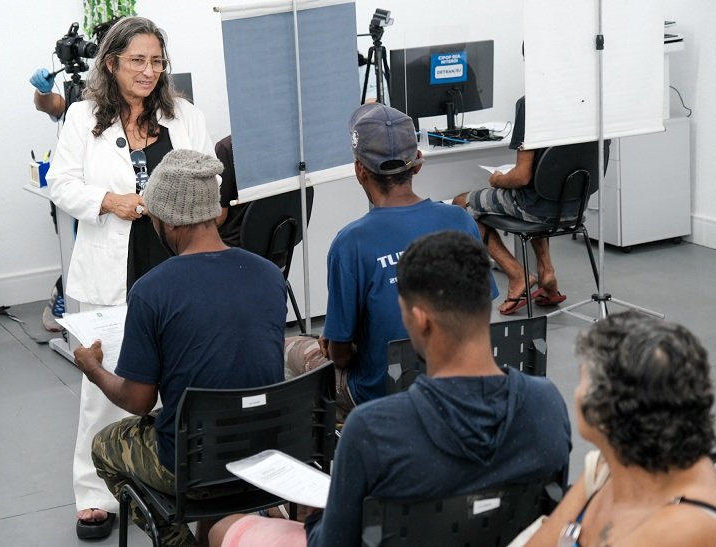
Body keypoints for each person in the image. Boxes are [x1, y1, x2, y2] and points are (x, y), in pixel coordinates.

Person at [208, 230, 571, 547]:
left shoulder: (374, 430)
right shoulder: (546, 404)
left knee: (221, 528)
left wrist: (319, 511)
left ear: (420, 318)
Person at [46, 16, 214, 539]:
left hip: (175, 262)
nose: (148, 70)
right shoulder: (81, 117)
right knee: (105, 383)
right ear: (112, 62)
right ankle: (95, 494)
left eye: (157, 60)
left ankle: (168, 477)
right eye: (137, 60)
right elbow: (60, 182)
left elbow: (212, 172)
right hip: (110, 268)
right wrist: (106, 201)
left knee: (181, 376)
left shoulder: (182, 114)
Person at [74, 149, 287, 547]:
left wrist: (94, 369)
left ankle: (180, 540)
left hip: (194, 459)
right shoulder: (268, 274)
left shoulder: (152, 290)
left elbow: (138, 401)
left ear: (164, 220)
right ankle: (250, 512)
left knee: (105, 445)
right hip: (270, 447)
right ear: (217, 213)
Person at [285, 102, 498, 420]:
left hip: (379, 398)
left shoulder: (351, 243)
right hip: (455, 384)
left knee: (289, 349)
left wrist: (339, 343)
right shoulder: (461, 221)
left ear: (359, 171)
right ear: (418, 163)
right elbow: (483, 312)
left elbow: (340, 357)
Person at [527, 311, 716, 547]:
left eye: (582, 380)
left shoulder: (684, 528)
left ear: (607, 411)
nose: (576, 392)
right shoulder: (611, 465)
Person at [30, 17, 120, 332]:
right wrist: (43, 91)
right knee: (85, 247)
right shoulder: (86, 91)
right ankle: (62, 295)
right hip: (86, 189)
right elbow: (52, 105)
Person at [453, 92, 571, 316]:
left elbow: (521, 177)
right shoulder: (587, 100)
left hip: (537, 208)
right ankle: (547, 272)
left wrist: (499, 180)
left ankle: (517, 275)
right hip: (573, 204)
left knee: (462, 204)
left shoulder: (532, 103)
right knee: (539, 188)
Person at [214, 135, 249, 246]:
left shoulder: (228, 148)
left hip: (238, 246)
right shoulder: (296, 143)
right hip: (283, 239)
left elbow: (219, 216)